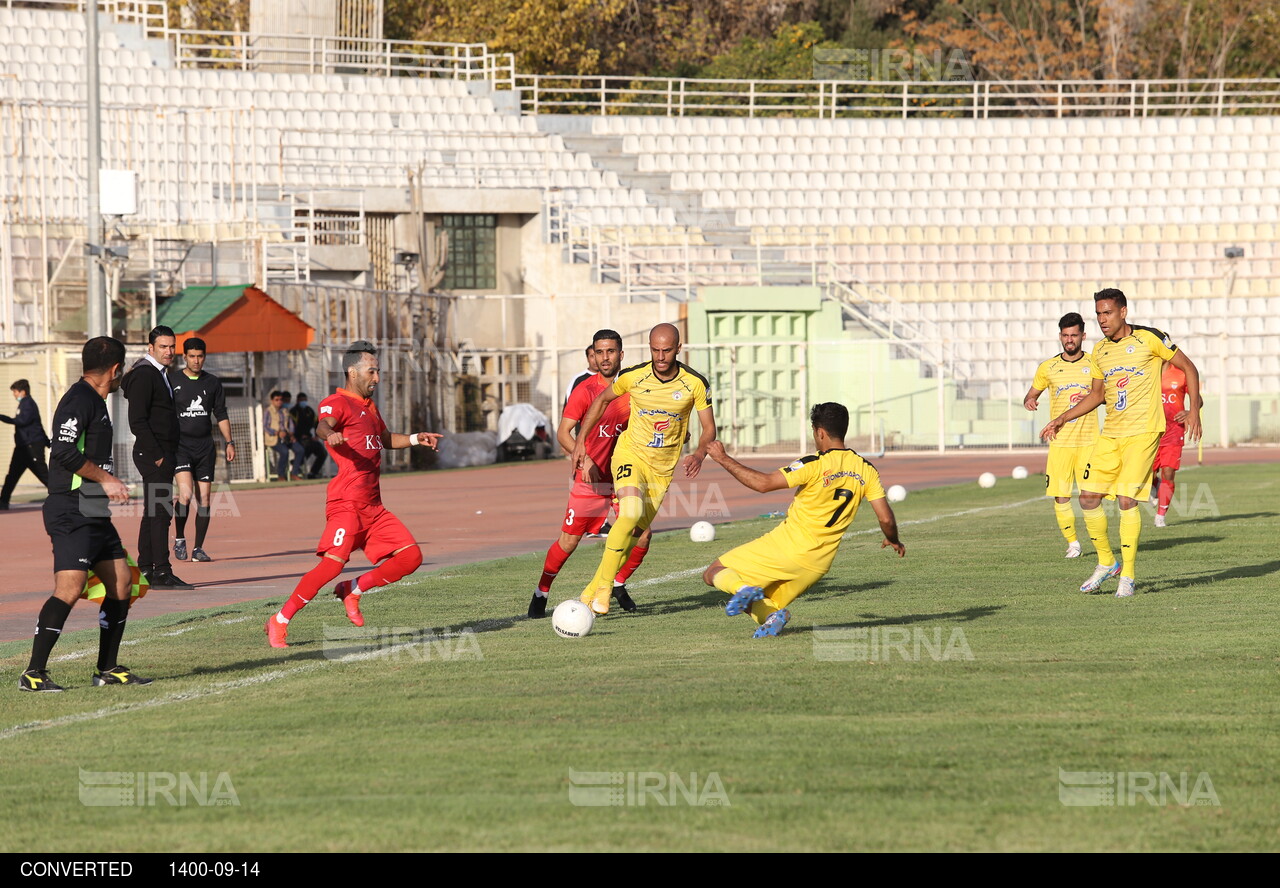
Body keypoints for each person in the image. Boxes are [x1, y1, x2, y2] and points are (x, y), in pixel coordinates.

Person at [266, 341, 443, 647]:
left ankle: (353, 589)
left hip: (374, 507)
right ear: (352, 372)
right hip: (347, 503)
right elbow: (323, 425)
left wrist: (416, 437)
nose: (377, 377)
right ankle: (279, 620)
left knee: (411, 557)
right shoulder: (337, 402)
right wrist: (330, 434)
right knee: (331, 564)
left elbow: (385, 439)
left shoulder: (370, 407)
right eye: (371, 371)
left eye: (378, 371)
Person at [1040, 289, 1202, 598]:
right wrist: (1062, 418)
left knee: (1127, 500)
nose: (1102, 319)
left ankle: (1127, 576)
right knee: (1088, 499)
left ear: (1123, 312)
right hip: (1110, 435)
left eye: (1108, 313)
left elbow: (1189, 368)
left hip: (1143, 434)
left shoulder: (1150, 338)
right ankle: (1106, 563)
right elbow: (1098, 395)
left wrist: (1194, 409)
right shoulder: (1100, 351)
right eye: (1099, 314)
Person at [702, 403, 905, 637]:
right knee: (762, 600)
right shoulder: (866, 469)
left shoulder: (813, 464)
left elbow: (763, 483)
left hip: (787, 548)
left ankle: (742, 589)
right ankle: (771, 617)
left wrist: (722, 458)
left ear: (819, 432)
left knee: (714, 571)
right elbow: (886, 519)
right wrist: (894, 540)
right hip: (817, 565)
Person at [19, 337, 151, 691]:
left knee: (122, 583)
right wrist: (107, 479)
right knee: (71, 587)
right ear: (115, 369)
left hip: (93, 508)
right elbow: (62, 450)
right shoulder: (79, 400)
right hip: (70, 507)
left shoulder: (96, 399)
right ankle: (33, 673)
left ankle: (106, 669)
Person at [570, 322, 716, 616]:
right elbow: (601, 400)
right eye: (655, 350)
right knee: (631, 513)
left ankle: (590, 591)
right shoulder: (634, 376)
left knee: (634, 534)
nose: (660, 357)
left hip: (661, 470)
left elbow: (709, 427)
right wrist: (580, 441)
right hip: (630, 455)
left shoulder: (695, 383)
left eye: (666, 351)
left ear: (678, 348)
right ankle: (604, 589)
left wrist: (700, 452)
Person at [529, 330, 653, 618]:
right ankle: (541, 592)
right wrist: (582, 459)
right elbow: (563, 433)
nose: (605, 357)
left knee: (643, 535)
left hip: (625, 476)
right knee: (569, 542)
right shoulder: (585, 391)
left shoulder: (634, 390)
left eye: (611, 351)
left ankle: (616, 584)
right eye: (600, 352)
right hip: (590, 481)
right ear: (593, 356)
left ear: (621, 355)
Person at [1023, 312, 1100, 558]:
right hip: (1060, 443)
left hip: (1089, 441)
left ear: (1083, 336)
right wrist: (1031, 400)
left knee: (1090, 497)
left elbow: (1104, 395)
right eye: (1065, 335)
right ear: (1060, 336)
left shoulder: (1095, 364)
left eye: (1074, 335)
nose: (1069, 340)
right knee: (1061, 496)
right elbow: (1031, 394)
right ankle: (1073, 544)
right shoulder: (1048, 367)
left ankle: (1099, 541)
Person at [123, 325, 191, 589]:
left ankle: (146, 570)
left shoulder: (160, 374)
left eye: (172, 346)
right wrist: (158, 455)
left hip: (162, 452)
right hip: (154, 454)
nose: (169, 351)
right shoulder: (145, 375)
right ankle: (161, 571)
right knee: (161, 512)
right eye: (163, 347)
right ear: (150, 348)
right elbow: (137, 420)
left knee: (154, 512)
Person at [168, 337, 235, 563]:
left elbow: (221, 414)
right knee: (185, 494)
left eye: (200, 356)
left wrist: (229, 442)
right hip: (181, 447)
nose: (196, 361)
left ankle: (198, 549)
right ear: (184, 357)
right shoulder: (172, 379)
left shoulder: (213, 383)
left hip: (205, 447)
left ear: (204, 357)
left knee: (205, 498)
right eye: (192, 356)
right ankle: (179, 538)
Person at [1151, 361, 1191, 527]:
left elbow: (1198, 400)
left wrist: (1190, 411)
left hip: (1174, 431)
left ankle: (1161, 515)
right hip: (1151, 431)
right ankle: (1155, 485)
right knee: (1146, 474)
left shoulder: (1181, 373)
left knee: (1168, 472)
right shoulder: (1147, 373)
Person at [0, 378, 50, 509]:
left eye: (15, 392)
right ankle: (3, 501)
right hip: (23, 447)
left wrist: (2, 417)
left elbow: (22, 421)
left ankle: (63, 498)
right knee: (12, 475)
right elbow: (37, 425)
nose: (14, 395)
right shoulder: (24, 404)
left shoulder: (28, 404)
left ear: (22, 392)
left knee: (43, 474)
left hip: (32, 446)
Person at [264, 390, 305, 481]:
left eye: (281, 400)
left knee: (300, 450)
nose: (279, 402)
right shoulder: (268, 411)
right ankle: (281, 475)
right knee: (284, 452)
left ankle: (294, 473)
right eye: (276, 400)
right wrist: (277, 433)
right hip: (274, 439)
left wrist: (291, 434)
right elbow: (265, 426)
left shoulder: (285, 411)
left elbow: (290, 424)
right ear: (272, 400)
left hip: (286, 437)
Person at [290, 392, 327, 479]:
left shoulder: (309, 410)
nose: (304, 402)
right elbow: (292, 426)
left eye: (305, 400)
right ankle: (296, 464)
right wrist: (297, 436)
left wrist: (317, 436)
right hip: (298, 438)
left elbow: (316, 424)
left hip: (309, 438)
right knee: (306, 447)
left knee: (323, 453)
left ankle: (313, 473)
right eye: (302, 400)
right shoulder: (294, 411)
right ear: (297, 400)